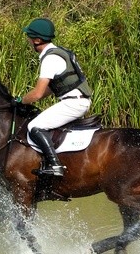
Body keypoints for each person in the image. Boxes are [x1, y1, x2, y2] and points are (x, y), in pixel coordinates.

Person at [15, 17, 93, 177]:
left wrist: (20, 101)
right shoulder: (59, 52)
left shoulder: (50, 59)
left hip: (73, 103)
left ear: (37, 40)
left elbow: (37, 93)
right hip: (78, 100)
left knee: (34, 127)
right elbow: (51, 90)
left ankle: (54, 165)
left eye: (30, 38)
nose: (28, 41)